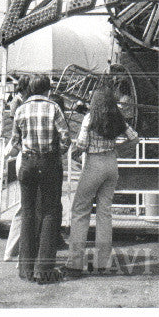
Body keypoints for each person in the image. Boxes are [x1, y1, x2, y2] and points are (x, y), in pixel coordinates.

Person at [65, 86, 138, 277]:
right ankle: (102, 263)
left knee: (80, 211)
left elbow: (81, 144)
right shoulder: (117, 117)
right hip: (111, 163)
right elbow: (135, 138)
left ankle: (74, 263)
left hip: (94, 164)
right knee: (104, 213)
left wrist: (74, 150)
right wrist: (117, 148)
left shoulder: (90, 118)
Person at [5, 73, 69, 284]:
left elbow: (15, 141)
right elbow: (66, 138)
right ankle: (44, 270)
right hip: (48, 163)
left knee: (28, 213)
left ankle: (25, 269)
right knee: (50, 213)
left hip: (27, 163)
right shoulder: (54, 108)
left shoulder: (21, 109)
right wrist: (56, 152)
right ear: (48, 89)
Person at [2, 75, 32, 263]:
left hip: (23, 156)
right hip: (28, 155)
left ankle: (15, 249)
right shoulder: (19, 106)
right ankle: (20, 249)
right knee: (26, 205)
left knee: (25, 204)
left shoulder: (22, 105)